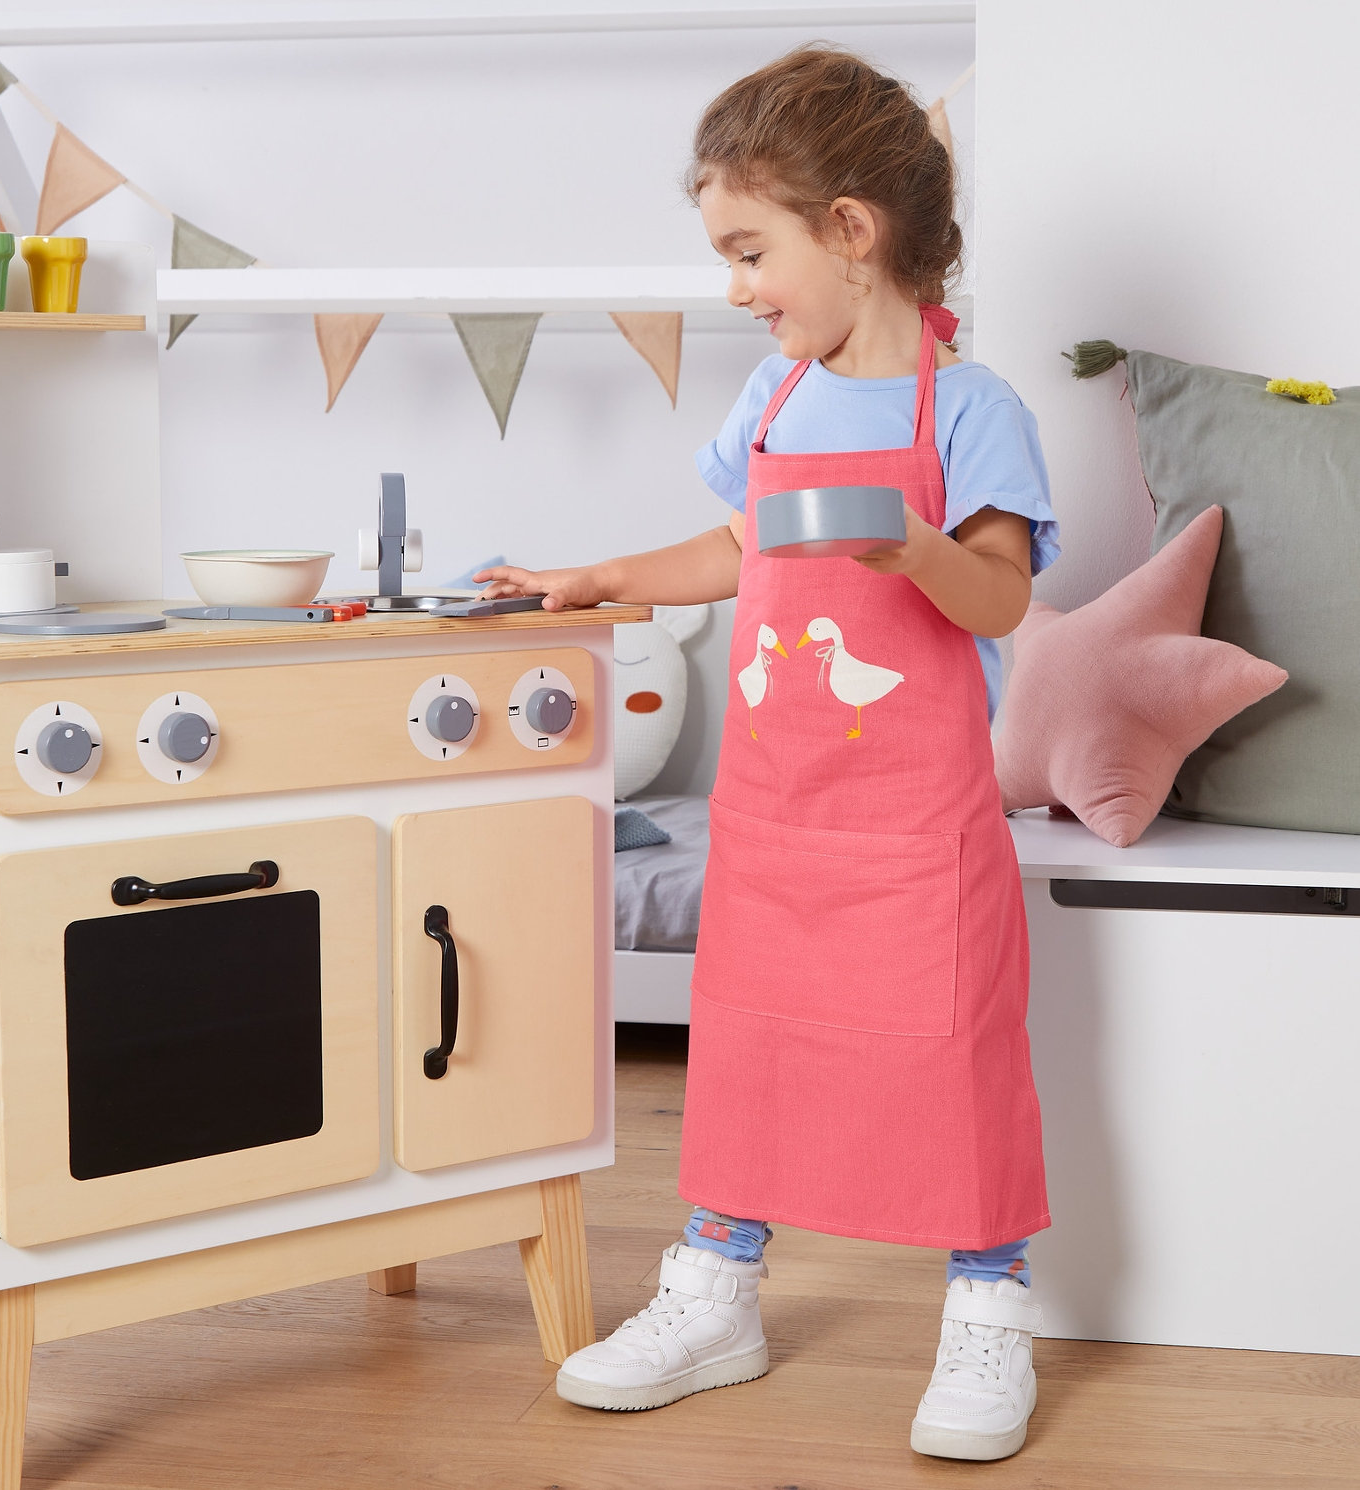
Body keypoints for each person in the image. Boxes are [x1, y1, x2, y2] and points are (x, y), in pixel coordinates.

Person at [476, 46, 1055, 1463]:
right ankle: (714, 1286)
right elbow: (733, 545)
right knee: (749, 1046)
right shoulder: (777, 397)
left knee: (951, 1052)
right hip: (779, 815)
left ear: (850, 234)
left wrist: (905, 544)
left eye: (750, 250)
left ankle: (989, 1305)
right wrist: (599, 573)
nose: (734, 285)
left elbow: (998, 597)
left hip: (919, 827)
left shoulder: (969, 412)